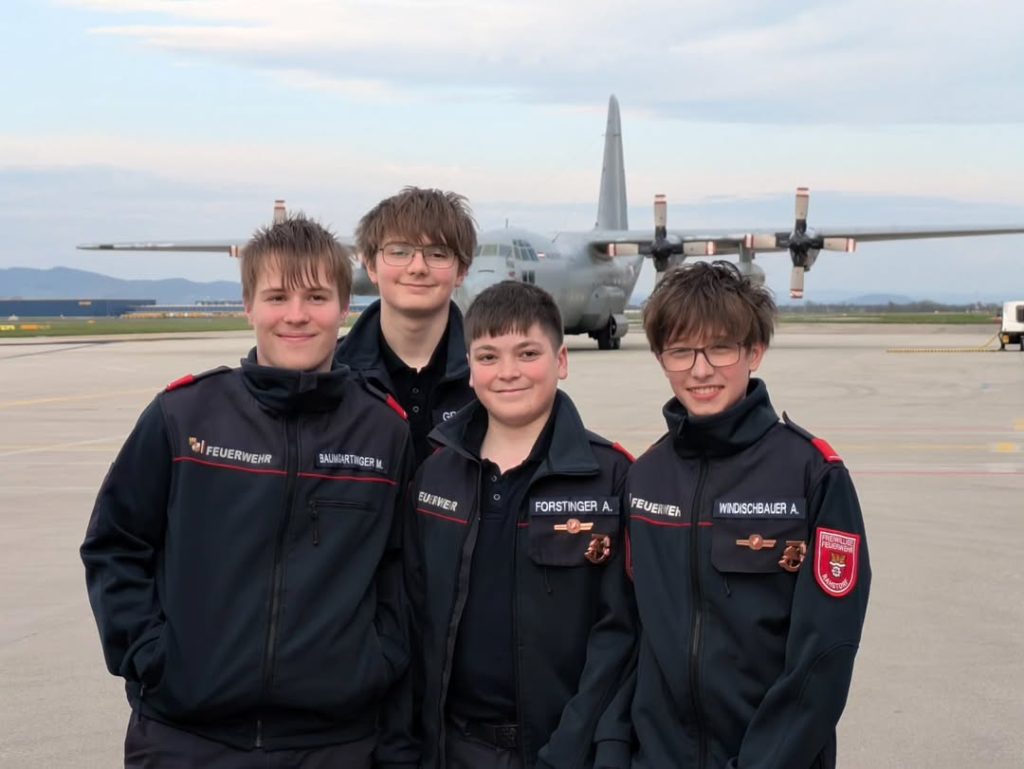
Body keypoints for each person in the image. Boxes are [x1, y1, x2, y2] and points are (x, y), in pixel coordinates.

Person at [80, 215, 416, 768]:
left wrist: (376, 662)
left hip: (333, 743)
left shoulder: (384, 432)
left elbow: (403, 570)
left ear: (344, 307)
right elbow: (116, 544)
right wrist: (150, 656)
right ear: (248, 306)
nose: (296, 315)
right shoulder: (183, 417)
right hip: (185, 737)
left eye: (316, 297)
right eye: (277, 297)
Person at [626, 261, 871, 769]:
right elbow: (629, 636)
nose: (700, 370)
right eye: (680, 351)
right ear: (660, 358)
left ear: (754, 352)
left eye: (721, 348)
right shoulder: (644, 478)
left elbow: (824, 653)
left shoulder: (813, 476)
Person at [405, 281, 636, 769]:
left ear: (561, 361)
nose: (508, 372)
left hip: (565, 750)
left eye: (527, 353)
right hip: (451, 748)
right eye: (488, 357)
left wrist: (571, 749)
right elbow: (414, 616)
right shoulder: (434, 476)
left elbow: (620, 634)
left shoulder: (611, 478)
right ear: (470, 370)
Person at [336, 186, 478, 463]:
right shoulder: (331, 374)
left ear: (462, 271)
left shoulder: (493, 375)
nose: (417, 267)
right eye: (399, 252)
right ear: (371, 266)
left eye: (438, 254)